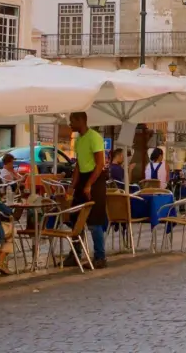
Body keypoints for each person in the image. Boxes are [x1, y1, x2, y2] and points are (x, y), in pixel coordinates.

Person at [68, 111, 108, 269]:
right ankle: (75, 253)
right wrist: (72, 185)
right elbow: (78, 164)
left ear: (81, 120)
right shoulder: (78, 140)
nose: (70, 124)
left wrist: (89, 184)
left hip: (96, 180)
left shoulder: (95, 137)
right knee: (75, 218)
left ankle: (100, 256)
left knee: (94, 221)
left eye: (72, 121)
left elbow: (100, 164)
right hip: (83, 178)